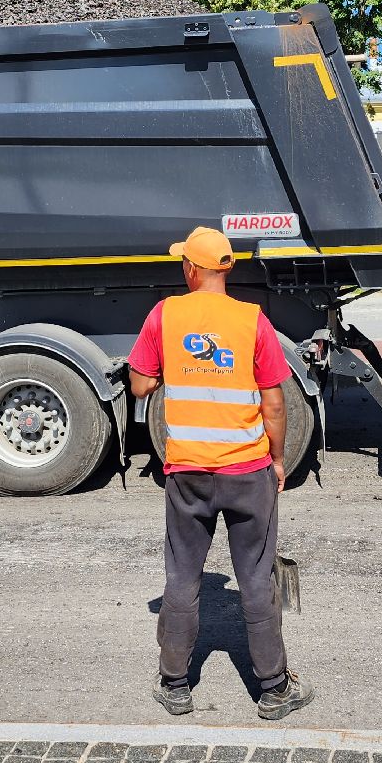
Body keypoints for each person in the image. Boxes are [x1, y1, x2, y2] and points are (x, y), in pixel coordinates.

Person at [127, 225, 314, 720]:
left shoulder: (165, 315)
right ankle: (274, 688)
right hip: (248, 471)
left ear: (191, 267)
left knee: (182, 576)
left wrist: (180, 365)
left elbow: (141, 385)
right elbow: (274, 403)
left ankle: (175, 685)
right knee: (255, 577)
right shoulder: (253, 320)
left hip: (188, 472)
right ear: (225, 269)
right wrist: (277, 459)